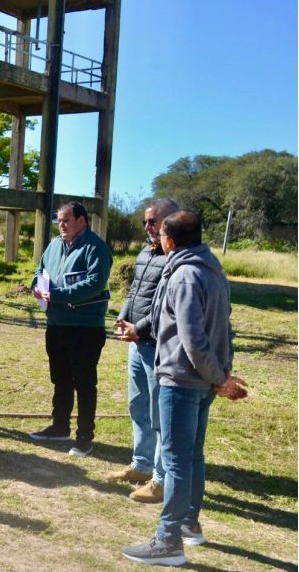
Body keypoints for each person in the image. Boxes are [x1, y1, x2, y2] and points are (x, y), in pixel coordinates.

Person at [123, 211, 245, 566]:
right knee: (191, 456)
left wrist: (220, 378)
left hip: (182, 382)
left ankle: (168, 542)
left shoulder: (185, 277)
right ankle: (189, 523)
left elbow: (193, 340)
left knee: (176, 460)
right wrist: (221, 375)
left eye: (160, 234)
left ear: (170, 241)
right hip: (203, 381)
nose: (157, 240)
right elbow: (225, 329)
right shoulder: (212, 269)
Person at [107, 198, 179, 502]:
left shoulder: (175, 257)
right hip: (136, 343)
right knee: (138, 406)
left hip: (157, 346)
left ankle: (160, 480)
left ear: (170, 223)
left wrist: (140, 328)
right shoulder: (144, 253)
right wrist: (124, 317)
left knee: (159, 414)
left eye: (154, 222)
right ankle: (141, 464)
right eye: (145, 222)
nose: (148, 227)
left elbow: (164, 306)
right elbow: (136, 291)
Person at [30, 202, 113, 457]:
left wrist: (57, 294)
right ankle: (59, 426)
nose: (61, 225)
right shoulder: (54, 245)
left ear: (81, 221)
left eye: (66, 220)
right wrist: (36, 285)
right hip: (56, 324)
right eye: (59, 221)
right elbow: (40, 270)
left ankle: (84, 437)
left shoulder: (96, 247)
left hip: (85, 327)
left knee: (84, 383)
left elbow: (95, 283)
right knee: (60, 379)